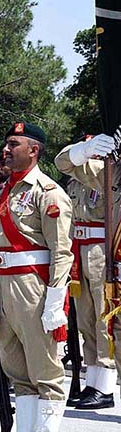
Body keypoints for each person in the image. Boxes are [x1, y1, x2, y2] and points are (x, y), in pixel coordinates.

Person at [0, 122, 74, 432]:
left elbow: (62, 251)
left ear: (33, 150)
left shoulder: (47, 192)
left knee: (45, 370)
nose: (6, 149)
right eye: (6, 143)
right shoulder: (5, 191)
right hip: (3, 286)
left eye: (13, 143)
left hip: (34, 287)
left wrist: (55, 298)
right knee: (17, 369)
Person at [55, 133, 121, 415]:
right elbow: (62, 161)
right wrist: (83, 150)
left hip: (102, 250)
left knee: (102, 320)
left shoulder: (107, 171)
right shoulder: (95, 170)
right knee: (85, 319)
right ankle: (93, 382)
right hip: (80, 250)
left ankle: (105, 384)